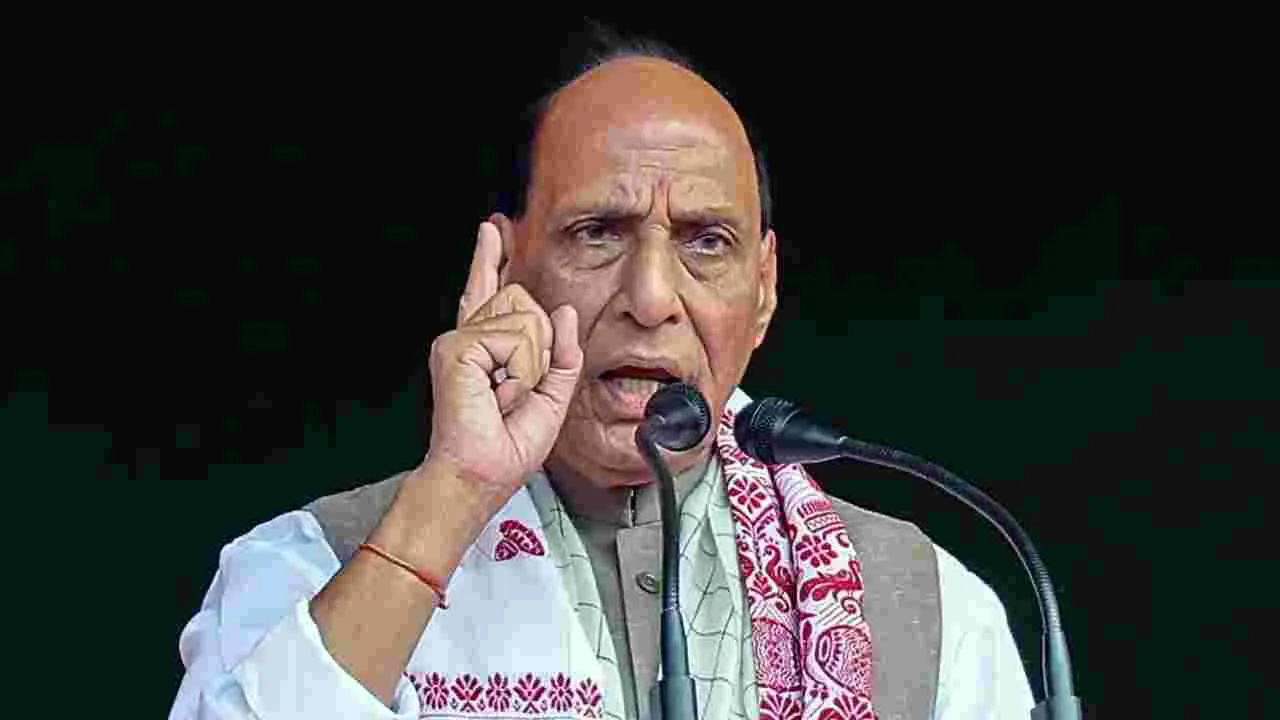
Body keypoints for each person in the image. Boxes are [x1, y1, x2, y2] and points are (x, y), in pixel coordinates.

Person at [168, 31, 1034, 720]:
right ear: (505, 268)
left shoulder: (929, 604)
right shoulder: (309, 565)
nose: (651, 298)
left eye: (706, 242)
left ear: (764, 292)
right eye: (598, 233)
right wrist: (454, 493)